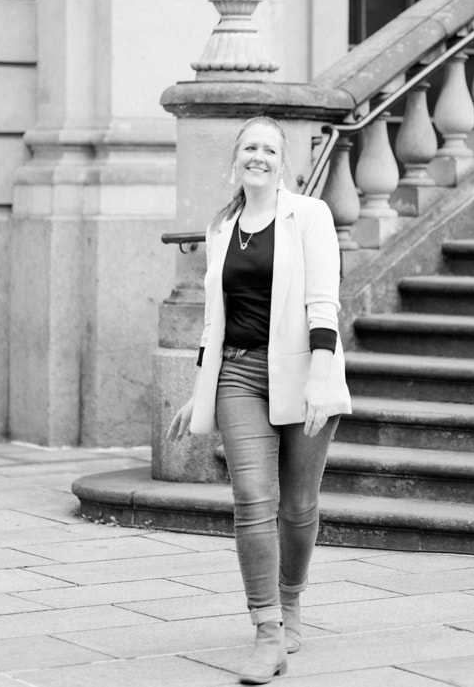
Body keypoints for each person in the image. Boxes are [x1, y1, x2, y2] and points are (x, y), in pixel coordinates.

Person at [167, 115, 352, 685]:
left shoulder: (310, 216)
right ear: (235, 160)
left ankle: (291, 601)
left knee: (298, 505)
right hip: (238, 377)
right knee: (252, 497)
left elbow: (324, 305)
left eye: (270, 149)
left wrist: (320, 380)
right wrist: (197, 392)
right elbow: (211, 324)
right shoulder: (222, 226)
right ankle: (268, 630)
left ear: (283, 163)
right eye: (250, 146)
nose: (260, 156)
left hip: (303, 373)